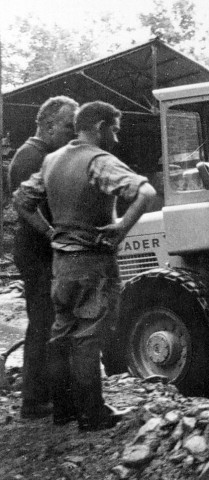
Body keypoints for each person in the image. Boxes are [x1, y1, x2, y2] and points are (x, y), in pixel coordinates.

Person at [13, 101, 156, 431]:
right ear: (100, 127)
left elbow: (22, 200)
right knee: (89, 337)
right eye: (115, 131)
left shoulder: (51, 160)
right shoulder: (99, 160)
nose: (116, 140)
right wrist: (121, 228)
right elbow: (145, 192)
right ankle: (92, 413)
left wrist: (50, 233)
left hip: (61, 265)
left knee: (61, 334)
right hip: (93, 263)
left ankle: (64, 410)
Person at [8, 96, 78, 419]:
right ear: (48, 125)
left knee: (48, 320)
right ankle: (33, 401)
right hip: (36, 250)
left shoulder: (43, 154)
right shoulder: (30, 157)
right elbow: (27, 206)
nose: (72, 133)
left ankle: (45, 393)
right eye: (68, 126)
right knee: (42, 322)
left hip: (42, 248)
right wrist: (54, 234)